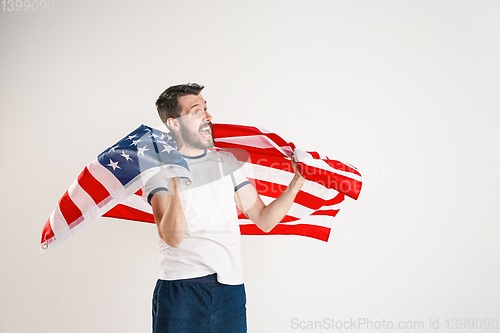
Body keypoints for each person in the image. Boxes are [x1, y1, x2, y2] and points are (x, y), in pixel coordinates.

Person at [144, 83, 305, 333]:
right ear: (174, 123)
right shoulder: (158, 171)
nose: (207, 116)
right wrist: (175, 176)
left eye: (206, 109)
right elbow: (172, 238)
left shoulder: (227, 162)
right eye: (196, 111)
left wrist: (296, 184)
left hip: (230, 291)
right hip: (181, 291)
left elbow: (264, 219)